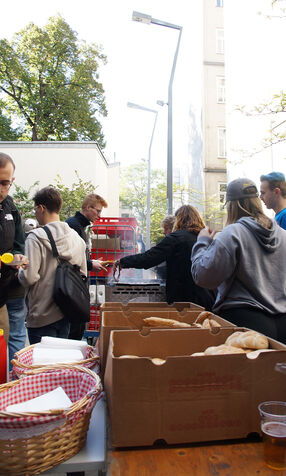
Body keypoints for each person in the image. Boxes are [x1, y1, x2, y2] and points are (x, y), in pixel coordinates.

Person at [191, 177, 286, 344]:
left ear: (232, 206)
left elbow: (204, 276)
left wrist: (202, 242)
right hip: (282, 323)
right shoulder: (282, 235)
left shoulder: (233, 234)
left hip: (245, 325)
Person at [18, 187, 87, 344]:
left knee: (42, 366)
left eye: (35, 209)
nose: (35, 213)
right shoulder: (77, 238)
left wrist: (19, 271)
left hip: (41, 315)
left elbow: (29, 277)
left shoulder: (36, 238)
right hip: (67, 312)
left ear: (41, 208)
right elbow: (83, 273)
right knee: (57, 364)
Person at [113, 205, 216, 309]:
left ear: (178, 219)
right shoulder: (205, 238)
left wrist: (122, 262)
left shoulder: (175, 238)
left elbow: (149, 258)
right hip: (207, 298)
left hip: (184, 300)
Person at [65, 193, 108, 340]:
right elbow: (70, 257)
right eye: (98, 211)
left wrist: (91, 261)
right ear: (88, 207)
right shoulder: (73, 225)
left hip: (77, 284)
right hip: (72, 285)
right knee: (74, 330)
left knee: (78, 326)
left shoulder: (80, 226)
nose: (99, 216)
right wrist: (90, 263)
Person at [0, 153, 28, 364]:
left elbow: (19, 241)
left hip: (6, 287)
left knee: (7, 339)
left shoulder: (10, 206)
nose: (0, 189)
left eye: (4, 183)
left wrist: (19, 257)